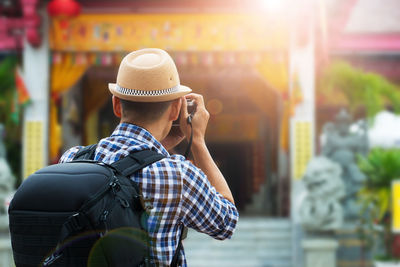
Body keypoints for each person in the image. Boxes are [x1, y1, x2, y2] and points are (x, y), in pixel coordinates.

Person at [59, 48, 239, 266]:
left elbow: (125, 165)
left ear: (116, 105)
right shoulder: (178, 176)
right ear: (175, 110)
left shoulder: (73, 159)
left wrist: (155, 149)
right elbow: (226, 222)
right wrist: (198, 142)